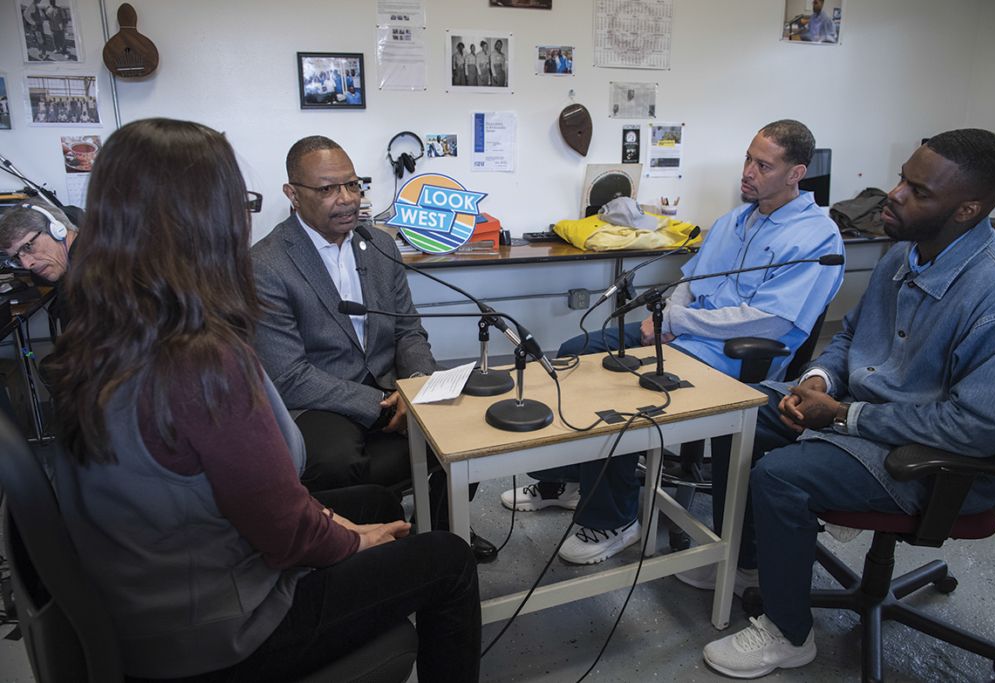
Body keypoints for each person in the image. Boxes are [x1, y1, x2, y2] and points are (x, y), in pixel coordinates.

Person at [47, 118, 481, 682]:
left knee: (374, 502)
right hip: (221, 634)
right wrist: (347, 541)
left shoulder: (102, 331)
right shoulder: (202, 359)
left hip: (143, 604)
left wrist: (345, 519)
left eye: (353, 185)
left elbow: (256, 499)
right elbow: (284, 528)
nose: (245, 217)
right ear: (205, 219)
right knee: (447, 560)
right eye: (238, 200)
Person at [701, 129, 995, 678]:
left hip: (942, 459)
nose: (894, 194)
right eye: (902, 177)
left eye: (918, 191)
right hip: (865, 415)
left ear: (967, 209)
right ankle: (754, 563)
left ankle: (788, 633)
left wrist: (846, 416)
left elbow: (974, 428)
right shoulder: (903, 255)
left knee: (784, 476)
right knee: (738, 409)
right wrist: (822, 380)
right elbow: (850, 338)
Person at [501, 120, 844, 566]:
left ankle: (615, 519)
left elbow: (773, 322)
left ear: (796, 173)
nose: (748, 172)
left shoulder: (816, 236)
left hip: (736, 357)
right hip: (684, 333)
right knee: (574, 351)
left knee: (616, 391)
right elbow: (690, 280)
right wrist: (665, 320)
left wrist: (679, 321)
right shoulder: (735, 220)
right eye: (748, 158)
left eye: (763, 165)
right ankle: (570, 481)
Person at [251, 135, 497, 561]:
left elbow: (408, 330)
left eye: (353, 185)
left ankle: (442, 527)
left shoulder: (380, 245)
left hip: (389, 384)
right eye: (327, 189)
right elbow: (289, 376)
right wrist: (385, 402)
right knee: (337, 460)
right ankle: (360, 545)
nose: (346, 200)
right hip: (319, 399)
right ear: (292, 194)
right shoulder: (265, 265)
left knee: (463, 427)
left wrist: (418, 385)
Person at [0, 198, 79, 327]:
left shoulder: (93, 278)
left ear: (57, 230)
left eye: (28, 246)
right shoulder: (75, 264)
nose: (26, 265)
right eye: (17, 257)